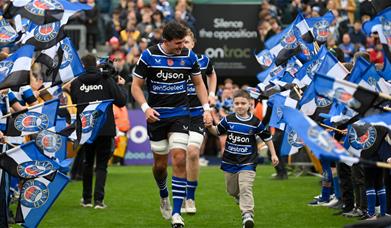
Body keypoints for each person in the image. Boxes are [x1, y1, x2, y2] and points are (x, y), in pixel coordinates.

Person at [131, 21, 212, 228]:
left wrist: (206, 108)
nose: (181, 47)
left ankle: (177, 214)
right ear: (165, 41)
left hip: (180, 115)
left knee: (179, 158)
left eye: (183, 43)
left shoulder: (189, 56)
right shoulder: (149, 56)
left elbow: (199, 83)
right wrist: (145, 108)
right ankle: (163, 193)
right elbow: (136, 87)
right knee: (159, 166)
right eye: (177, 43)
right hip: (157, 117)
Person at [205, 89, 279, 228]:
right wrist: (210, 127)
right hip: (230, 161)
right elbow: (217, 131)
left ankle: (247, 215)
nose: (240, 106)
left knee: (246, 187)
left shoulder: (255, 122)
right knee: (232, 191)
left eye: (243, 103)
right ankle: (238, 197)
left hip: (248, 162)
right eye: (237, 103)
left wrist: (273, 154)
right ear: (233, 105)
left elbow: (267, 137)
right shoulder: (228, 119)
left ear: (249, 104)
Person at [71, 54, 126, 209]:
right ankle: (99, 201)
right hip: (104, 127)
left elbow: (75, 101)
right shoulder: (106, 79)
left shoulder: (76, 82)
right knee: (102, 166)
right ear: (96, 64)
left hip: (86, 128)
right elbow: (121, 101)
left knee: (87, 163)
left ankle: (86, 199)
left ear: (82, 65)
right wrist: (120, 85)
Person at [181, 29, 217, 214]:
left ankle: (190, 198)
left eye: (187, 42)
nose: (184, 45)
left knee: (193, 153)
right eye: (181, 42)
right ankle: (177, 196)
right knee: (180, 157)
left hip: (197, 113)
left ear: (193, 44)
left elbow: (212, 74)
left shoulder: (203, 60)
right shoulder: (173, 62)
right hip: (177, 114)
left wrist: (211, 95)